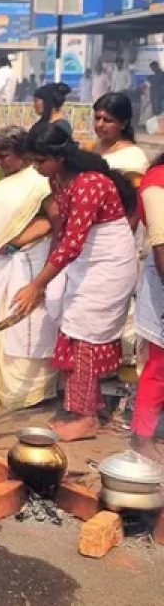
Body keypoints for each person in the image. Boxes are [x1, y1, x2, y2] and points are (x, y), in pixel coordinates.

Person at [11, 123, 139, 441]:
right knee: (69, 326)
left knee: (85, 333)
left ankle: (86, 419)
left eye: (40, 161)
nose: (37, 168)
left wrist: (37, 284)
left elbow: (72, 242)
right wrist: (46, 279)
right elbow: (62, 231)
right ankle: (83, 405)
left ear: (60, 157)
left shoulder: (89, 183)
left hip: (108, 263)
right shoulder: (58, 178)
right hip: (82, 260)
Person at [0, 127, 60, 410]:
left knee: (24, 324)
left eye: (5, 155)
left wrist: (18, 241)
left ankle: (26, 392)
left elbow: (55, 220)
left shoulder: (38, 182)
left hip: (27, 260)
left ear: (23, 155)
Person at [132, 153, 164, 462]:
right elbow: (161, 244)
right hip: (162, 281)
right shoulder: (157, 181)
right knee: (159, 365)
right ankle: (142, 438)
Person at [91, 92, 149, 185]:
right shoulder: (90, 147)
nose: (100, 125)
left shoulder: (133, 157)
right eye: (97, 118)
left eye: (108, 120)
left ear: (123, 124)